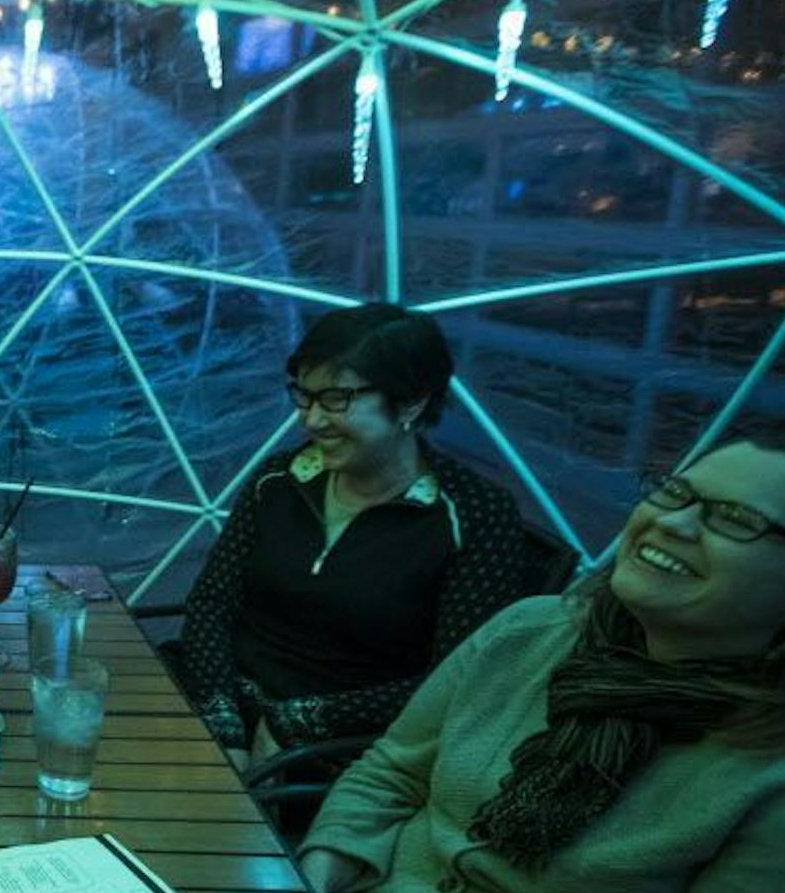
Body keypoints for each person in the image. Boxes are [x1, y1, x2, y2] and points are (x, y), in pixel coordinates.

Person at [298, 439, 785, 893]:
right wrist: (315, 878)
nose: (674, 522)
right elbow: (390, 772)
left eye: (736, 518)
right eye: (674, 490)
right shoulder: (532, 631)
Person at [177, 303, 526, 767]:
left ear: (411, 401)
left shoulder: (476, 515)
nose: (312, 420)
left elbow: (454, 682)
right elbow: (211, 604)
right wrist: (223, 728)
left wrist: (295, 723)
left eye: (336, 399)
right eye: (303, 395)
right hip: (220, 702)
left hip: (335, 749)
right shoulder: (281, 479)